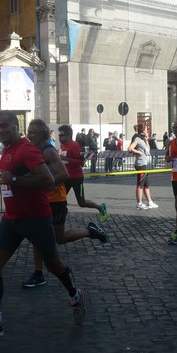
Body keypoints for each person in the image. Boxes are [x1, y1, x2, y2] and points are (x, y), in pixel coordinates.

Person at [0, 111, 86, 338]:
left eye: (5, 125)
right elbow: (4, 175)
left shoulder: (26, 148)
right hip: (11, 219)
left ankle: (75, 294)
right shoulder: (8, 150)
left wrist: (14, 179)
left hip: (35, 219)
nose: (1, 130)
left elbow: (48, 179)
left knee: (54, 266)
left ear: (15, 125)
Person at [22, 119, 107, 288]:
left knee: (60, 237)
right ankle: (38, 274)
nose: (29, 134)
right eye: (28, 131)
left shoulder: (50, 151)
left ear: (41, 134)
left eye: (32, 132)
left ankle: (90, 232)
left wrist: (46, 183)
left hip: (57, 199)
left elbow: (65, 173)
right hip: (44, 200)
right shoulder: (35, 149)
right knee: (37, 236)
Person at [59, 124, 107, 222]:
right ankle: (60, 216)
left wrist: (65, 158)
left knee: (82, 202)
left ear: (68, 136)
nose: (59, 137)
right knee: (60, 198)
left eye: (62, 135)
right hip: (66, 177)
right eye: (59, 135)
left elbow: (82, 163)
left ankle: (100, 208)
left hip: (77, 178)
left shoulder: (74, 146)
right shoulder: (63, 145)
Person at [128, 124, 157, 210]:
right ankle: (139, 203)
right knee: (140, 184)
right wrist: (138, 152)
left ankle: (149, 202)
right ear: (143, 130)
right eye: (146, 129)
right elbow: (130, 148)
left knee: (146, 184)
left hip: (146, 164)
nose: (147, 130)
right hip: (141, 164)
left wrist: (147, 140)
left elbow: (147, 149)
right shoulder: (137, 139)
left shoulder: (142, 139)